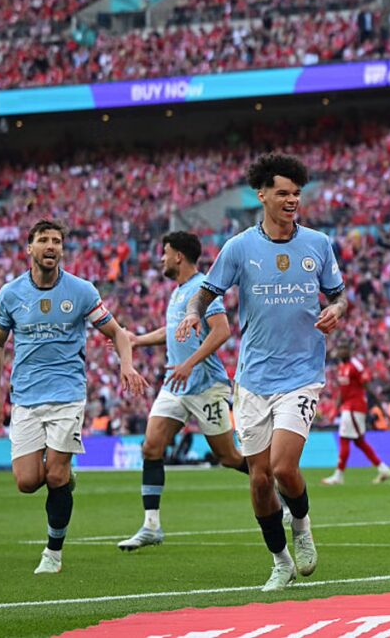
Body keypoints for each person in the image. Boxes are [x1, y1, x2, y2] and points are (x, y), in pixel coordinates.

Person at [175, 153, 348, 590]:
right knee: (258, 480)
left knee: (284, 467)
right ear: (263, 194)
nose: (292, 200)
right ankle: (280, 561)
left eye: (297, 194)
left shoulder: (318, 244)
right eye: (284, 193)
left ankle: (303, 528)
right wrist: (196, 314)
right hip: (252, 378)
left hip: (302, 373)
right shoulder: (239, 248)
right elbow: (208, 291)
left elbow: (339, 296)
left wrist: (337, 311)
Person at [0, 219, 148, 574]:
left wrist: (127, 365)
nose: (50, 246)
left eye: (56, 241)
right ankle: (64, 473)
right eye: (43, 240)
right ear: (29, 248)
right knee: (27, 482)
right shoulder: (10, 294)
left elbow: (118, 333)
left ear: (62, 249)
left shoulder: (81, 291)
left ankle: (53, 553)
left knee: (55, 477)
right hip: (26, 396)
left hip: (67, 394)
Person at [116, 231, 248, 551]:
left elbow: (222, 331)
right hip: (175, 384)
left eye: (164, 253)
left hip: (206, 385)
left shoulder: (204, 291)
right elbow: (171, 331)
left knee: (228, 457)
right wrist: (137, 340)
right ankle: (151, 526)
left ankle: (277, 484)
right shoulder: (177, 294)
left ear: (178, 256)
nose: (160, 258)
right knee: (151, 447)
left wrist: (189, 363)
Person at [322, 343, 390, 485]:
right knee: (359, 442)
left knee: (344, 439)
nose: (339, 352)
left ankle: (338, 475)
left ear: (348, 351)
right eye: (339, 349)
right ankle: (383, 468)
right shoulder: (342, 367)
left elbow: (367, 387)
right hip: (349, 407)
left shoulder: (356, 366)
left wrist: (381, 406)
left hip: (355, 407)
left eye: (343, 348)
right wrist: (335, 409)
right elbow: (342, 391)